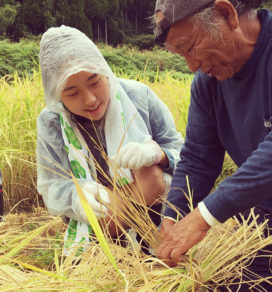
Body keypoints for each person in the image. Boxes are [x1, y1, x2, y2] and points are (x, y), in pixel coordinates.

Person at [153, 0, 272, 292]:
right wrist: (174, 215)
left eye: (190, 48)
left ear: (227, 14)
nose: (192, 66)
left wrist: (203, 217)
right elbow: (198, 159)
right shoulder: (207, 84)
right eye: (181, 56)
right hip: (271, 228)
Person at [37, 25, 183, 254]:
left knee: (149, 175)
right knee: (106, 209)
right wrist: (79, 197)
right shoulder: (52, 122)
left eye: (95, 82)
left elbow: (182, 150)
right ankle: (115, 244)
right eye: (72, 93)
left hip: (154, 208)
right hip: (104, 225)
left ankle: (152, 238)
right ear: (57, 95)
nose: (90, 99)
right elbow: (51, 184)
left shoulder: (139, 96)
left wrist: (160, 155)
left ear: (104, 71)